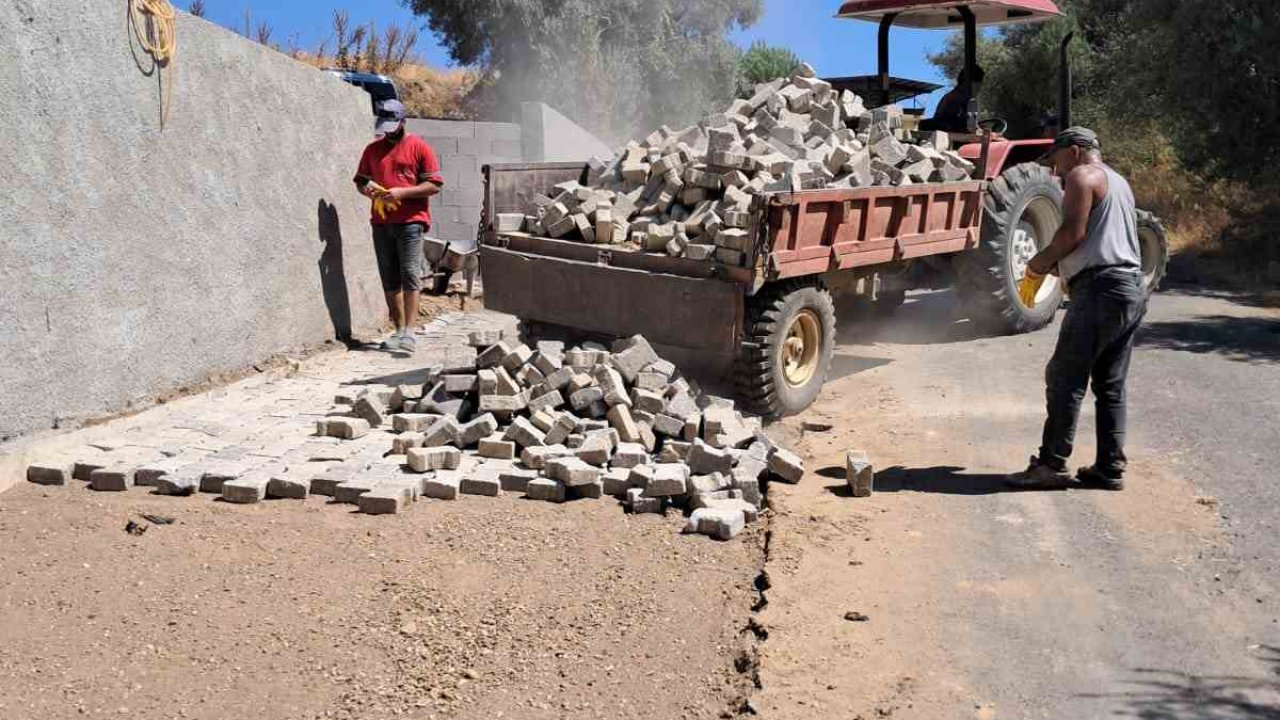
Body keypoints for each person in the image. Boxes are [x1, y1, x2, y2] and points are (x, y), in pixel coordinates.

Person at [1008, 127, 1147, 491]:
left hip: (1101, 289)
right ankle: (1109, 467)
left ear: (1073, 150)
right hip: (1129, 287)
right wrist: (1065, 266)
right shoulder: (1118, 182)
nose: (1055, 171)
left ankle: (1051, 465)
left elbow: (1073, 233)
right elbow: (1102, 238)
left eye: (1056, 160)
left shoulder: (1082, 176)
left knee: (1065, 377)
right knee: (1110, 384)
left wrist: (1038, 265)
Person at [352, 98, 444, 353]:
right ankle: (399, 330)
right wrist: (371, 192)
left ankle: (410, 333)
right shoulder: (372, 150)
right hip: (381, 223)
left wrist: (402, 193)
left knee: (410, 273)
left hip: (411, 222)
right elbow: (360, 181)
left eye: (392, 127)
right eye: (384, 128)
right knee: (389, 276)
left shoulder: (419, 148)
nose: (388, 133)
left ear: (403, 121)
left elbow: (434, 184)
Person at [930, 66, 984, 133]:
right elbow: (950, 125)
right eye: (978, 85)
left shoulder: (970, 101)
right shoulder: (953, 98)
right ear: (966, 83)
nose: (979, 88)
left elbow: (972, 126)